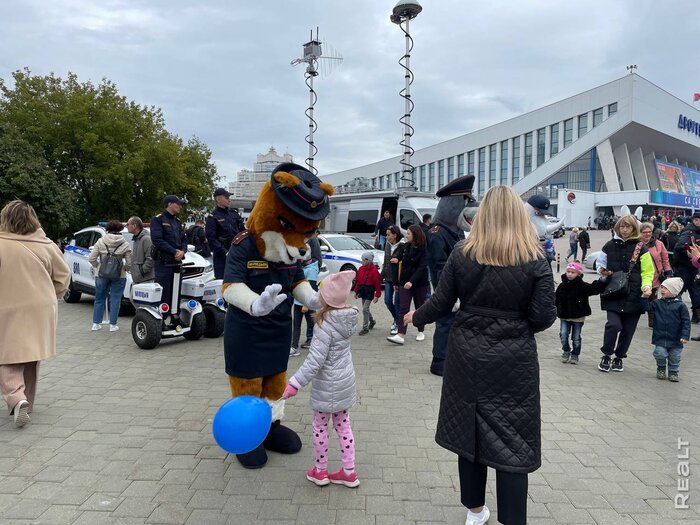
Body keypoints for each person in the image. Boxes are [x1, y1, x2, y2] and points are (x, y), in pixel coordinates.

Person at [404, 186, 556, 525]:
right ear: (521, 216)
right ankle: (513, 519)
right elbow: (544, 317)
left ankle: (475, 511)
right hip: (514, 359)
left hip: (466, 353)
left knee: (468, 429)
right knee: (513, 439)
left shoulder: (462, 252)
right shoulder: (535, 257)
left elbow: (441, 303)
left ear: (481, 216)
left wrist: (416, 317)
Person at [283, 270, 360, 488]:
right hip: (345, 381)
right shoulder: (348, 319)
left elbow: (314, 362)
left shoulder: (324, 326)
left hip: (327, 386)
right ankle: (349, 471)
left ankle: (320, 470)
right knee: (344, 427)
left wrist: (295, 383)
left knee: (320, 427)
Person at [0, 200, 70, 427]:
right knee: (31, 355)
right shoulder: (47, 244)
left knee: (6, 357)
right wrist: (51, 296)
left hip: (7, 306)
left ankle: (16, 398)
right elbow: (63, 278)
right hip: (41, 308)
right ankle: (27, 403)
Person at [427, 174, 475, 376]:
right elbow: (439, 266)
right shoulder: (439, 232)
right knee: (445, 323)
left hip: (456, 289)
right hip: (447, 290)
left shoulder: (453, 231)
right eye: (465, 201)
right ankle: (439, 361)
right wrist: (448, 293)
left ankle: (449, 358)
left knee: (453, 324)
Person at [596, 215, 653, 373]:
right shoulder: (608, 246)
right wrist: (602, 272)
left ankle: (619, 357)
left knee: (628, 330)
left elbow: (648, 271)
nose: (625, 230)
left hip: (634, 295)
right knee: (613, 325)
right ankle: (606, 354)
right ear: (617, 228)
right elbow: (599, 264)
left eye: (628, 227)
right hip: (614, 293)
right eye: (622, 227)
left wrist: (647, 287)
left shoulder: (641, 248)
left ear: (634, 228)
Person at [555, 261, 606, 364]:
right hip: (564, 315)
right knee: (563, 334)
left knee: (576, 337)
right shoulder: (562, 285)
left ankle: (575, 354)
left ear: (578, 274)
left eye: (572, 272)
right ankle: (566, 351)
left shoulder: (582, 286)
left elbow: (594, 289)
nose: (569, 274)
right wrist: (553, 309)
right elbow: (556, 299)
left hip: (578, 316)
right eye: (568, 271)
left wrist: (602, 280)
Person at [640, 278, 689, 382]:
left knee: (675, 356)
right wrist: (644, 298)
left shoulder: (681, 306)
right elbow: (646, 308)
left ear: (674, 291)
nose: (662, 290)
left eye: (666, 288)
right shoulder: (657, 303)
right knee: (659, 353)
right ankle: (661, 368)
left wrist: (685, 336)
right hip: (660, 337)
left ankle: (673, 371)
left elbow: (686, 322)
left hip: (676, 339)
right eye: (662, 287)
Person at [387, 224, 429, 345]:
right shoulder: (405, 246)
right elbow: (397, 255)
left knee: (419, 306)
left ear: (415, 235)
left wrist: (412, 281)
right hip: (404, 282)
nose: (407, 235)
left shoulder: (424, 249)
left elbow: (422, 268)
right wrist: (395, 258)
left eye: (409, 233)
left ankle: (421, 331)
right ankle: (400, 335)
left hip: (419, 283)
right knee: (403, 307)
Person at [89, 220, 132, 332]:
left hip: (101, 274)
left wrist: (98, 266)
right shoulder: (125, 243)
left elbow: (91, 258)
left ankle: (96, 324)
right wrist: (125, 269)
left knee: (99, 298)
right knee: (116, 299)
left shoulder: (100, 241)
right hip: (119, 275)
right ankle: (113, 325)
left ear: (107, 229)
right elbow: (129, 263)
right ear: (120, 230)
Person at [151, 195, 188, 314]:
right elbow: (157, 240)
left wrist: (182, 251)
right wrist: (174, 251)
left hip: (176, 263)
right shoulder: (158, 220)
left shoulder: (177, 222)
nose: (180, 207)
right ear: (170, 204)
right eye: (178, 204)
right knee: (164, 293)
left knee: (176, 292)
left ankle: (175, 317)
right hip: (164, 263)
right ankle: (161, 321)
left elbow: (184, 239)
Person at [205, 187, 244, 279]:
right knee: (222, 282)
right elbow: (211, 239)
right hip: (222, 255)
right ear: (218, 199)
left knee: (238, 281)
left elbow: (243, 231)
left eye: (229, 198)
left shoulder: (233, 214)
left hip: (236, 252)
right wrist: (225, 252)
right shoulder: (213, 217)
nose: (229, 200)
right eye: (226, 198)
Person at [640, 222, 672, 328]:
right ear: (640, 233)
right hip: (639, 275)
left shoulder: (659, 244)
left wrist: (668, 272)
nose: (647, 234)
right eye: (645, 232)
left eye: (649, 232)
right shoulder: (636, 244)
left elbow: (665, 258)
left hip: (655, 276)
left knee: (652, 299)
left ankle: (652, 321)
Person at [290, 256, 321, 357]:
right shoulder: (304, 267)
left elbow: (311, 288)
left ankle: (313, 341)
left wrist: (305, 305)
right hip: (298, 302)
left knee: (312, 323)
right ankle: (294, 346)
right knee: (297, 324)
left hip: (307, 303)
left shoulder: (312, 270)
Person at [673, 212, 700, 323]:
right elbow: (680, 247)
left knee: (695, 293)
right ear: (694, 221)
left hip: (695, 267)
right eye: (698, 220)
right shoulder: (688, 232)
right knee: (677, 291)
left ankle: (696, 316)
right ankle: (673, 314)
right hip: (685, 267)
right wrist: (689, 253)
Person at [381, 225, 404, 335]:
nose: (386, 237)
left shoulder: (403, 245)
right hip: (389, 278)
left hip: (399, 279)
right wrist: (381, 277)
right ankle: (397, 319)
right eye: (386, 234)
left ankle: (398, 324)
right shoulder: (387, 245)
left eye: (388, 234)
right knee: (387, 301)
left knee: (398, 303)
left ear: (395, 235)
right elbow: (386, 262)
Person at [354, 251, 381, 335]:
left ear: (368, 261)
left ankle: (365, 327)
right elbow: (358, 281)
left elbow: (377, 284)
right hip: (363, 291)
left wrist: (377, 295)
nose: (362, 262)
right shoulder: (361, 269)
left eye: (363, 260)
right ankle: (372, 321)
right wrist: (356, 291)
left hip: (369, 291)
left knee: (365, 309)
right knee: (366, 309)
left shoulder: (374, 271)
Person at [126, 216, 154, 284]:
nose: (126, 226)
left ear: (134, 226)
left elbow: (151, 258)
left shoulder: (146, 239)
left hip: (145, 280)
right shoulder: (136, 239)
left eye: (128, 224)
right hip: (137, 280)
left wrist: (141, 271)